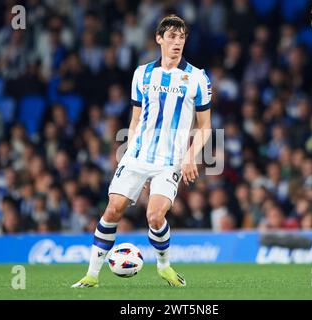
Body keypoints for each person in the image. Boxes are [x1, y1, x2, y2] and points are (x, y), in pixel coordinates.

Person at [72, 15, 212, 288]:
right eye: (171, 36)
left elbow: (205, 126)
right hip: (137, 156)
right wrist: (129, 152)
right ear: (159, 39)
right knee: (112, 210)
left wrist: (189, 156)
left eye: (181, 37)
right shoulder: (142, 73)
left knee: (155, 215)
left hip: (170, 161)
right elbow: (136, 119)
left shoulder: (198, 78)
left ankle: (164, 267)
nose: (177, 42)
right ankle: (91, 276)